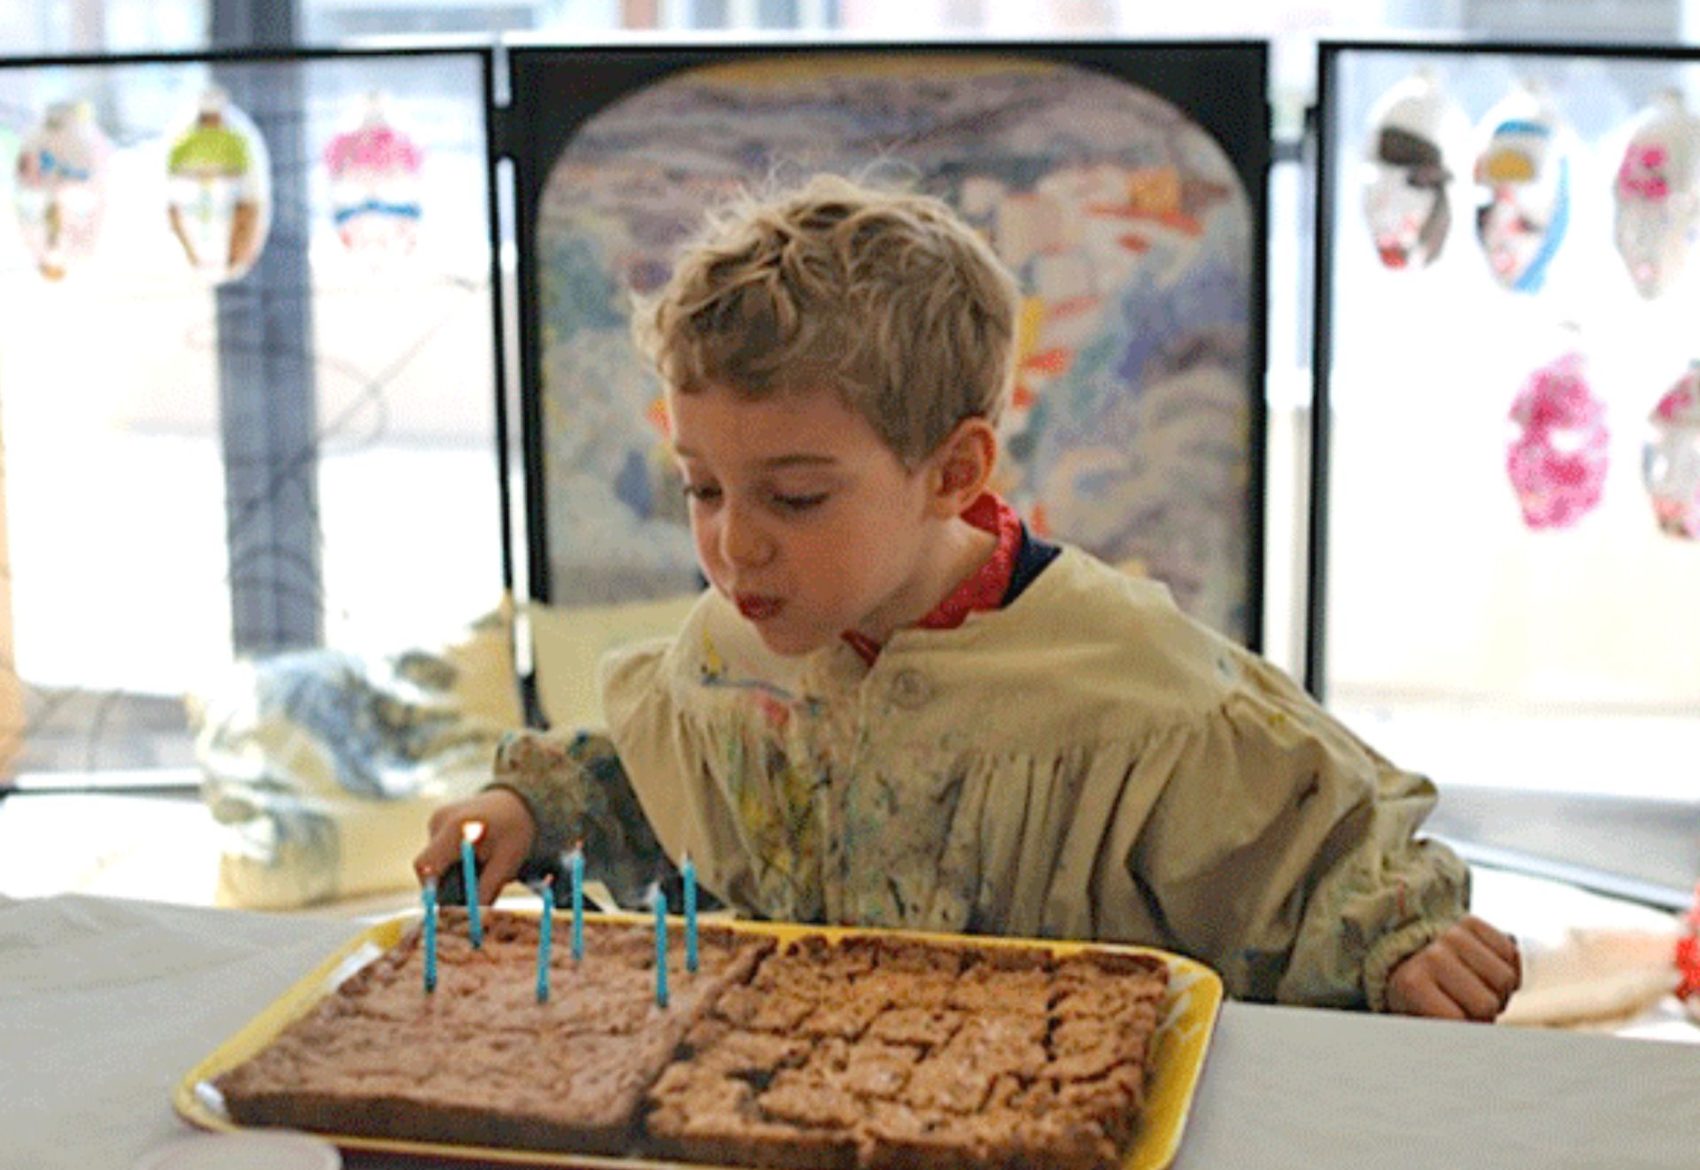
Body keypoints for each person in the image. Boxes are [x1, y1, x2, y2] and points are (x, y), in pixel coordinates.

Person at [415, 172, 1521, 1021]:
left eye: (794, 497)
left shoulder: (1126, 674)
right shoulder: (728, 642)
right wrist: (531, 812)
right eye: (702, 487)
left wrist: (1397, 936)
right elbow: (663, 786)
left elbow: (1303, 840)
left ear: (951, 473)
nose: (731, 544)